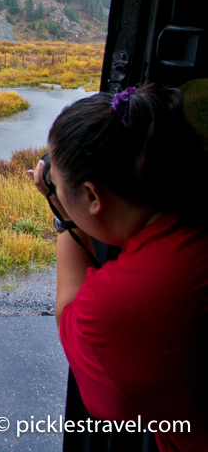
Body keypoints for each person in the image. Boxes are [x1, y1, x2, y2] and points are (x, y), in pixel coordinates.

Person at [30, 83, 207, 452]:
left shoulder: (123, 304)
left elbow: (71, 321)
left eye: (62, 187)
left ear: (93, 197)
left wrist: (63, 216)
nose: (57, 192)